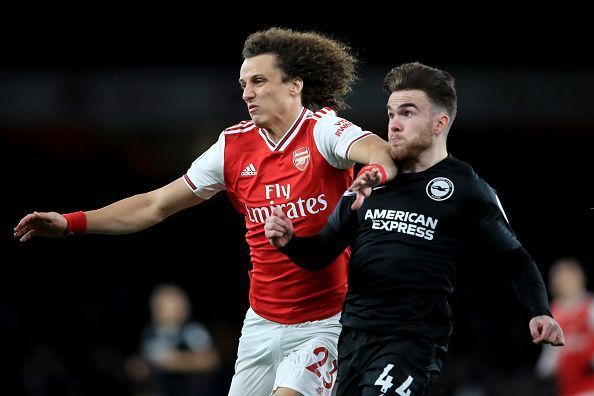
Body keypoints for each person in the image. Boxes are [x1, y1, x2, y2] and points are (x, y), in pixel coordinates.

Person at [13, 27, 397, 396]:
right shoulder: (232, 146)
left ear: (294, 84)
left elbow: (381, 152)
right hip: (261, 322)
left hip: (325, 322)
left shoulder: (323, 130)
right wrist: (71, 223)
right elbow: (154, 204)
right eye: (244, 84)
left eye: (259, 81)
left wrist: (370, 177)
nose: (247, 93)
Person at [264, 62, 565, 396]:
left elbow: (516, 258)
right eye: (391, 114)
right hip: (353, 339)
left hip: (411, 343)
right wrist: (289, 242)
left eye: (407, 113)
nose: (393, 125)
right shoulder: (371, 180)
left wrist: (540, 311)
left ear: (439, 123)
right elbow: (322, 252)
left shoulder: (465, 186)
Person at [126, 284, 221, 396]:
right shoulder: (151, 332)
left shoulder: (193, 330)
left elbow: (210, 360)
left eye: (176, 304)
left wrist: (174, 361)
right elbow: (146, 361)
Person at [536, 257, 594, 396]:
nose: (562, 282)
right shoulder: (553, 312)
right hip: (568, 388)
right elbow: (550, 356)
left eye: (567, 277)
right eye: (559, 277)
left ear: (579, 278)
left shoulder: (590, 306)